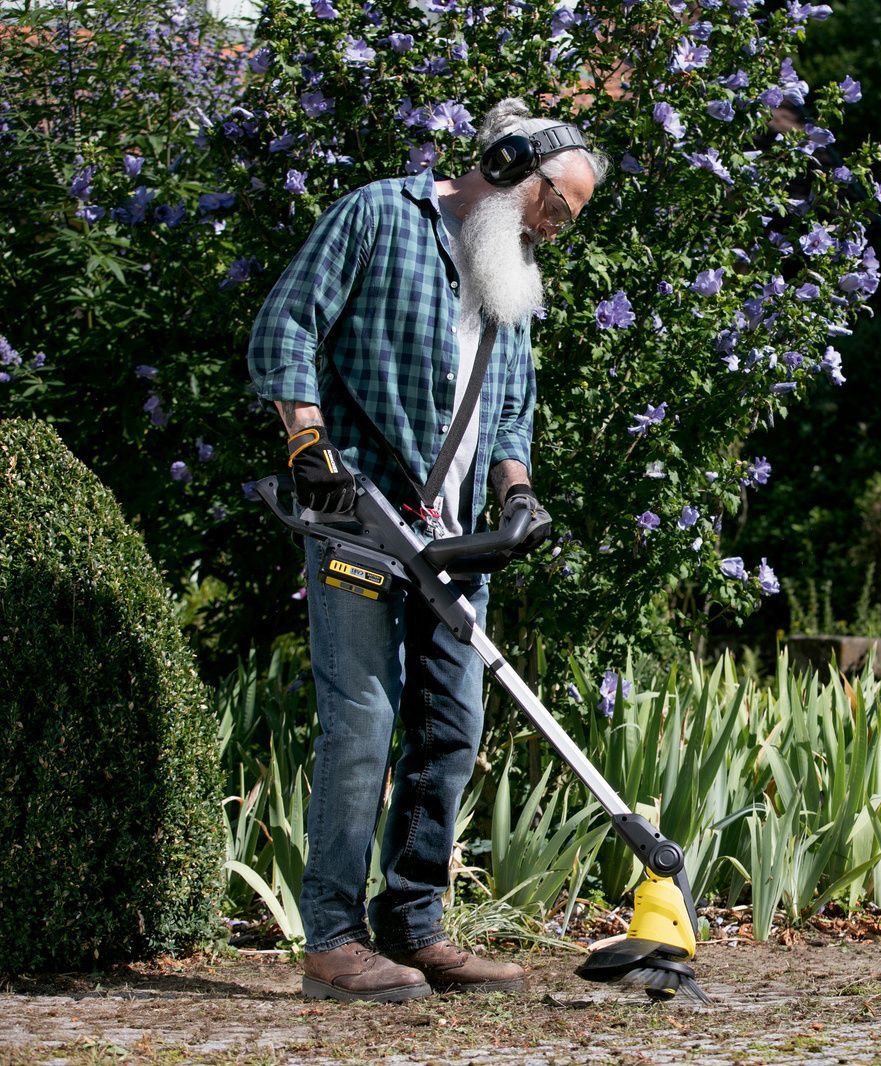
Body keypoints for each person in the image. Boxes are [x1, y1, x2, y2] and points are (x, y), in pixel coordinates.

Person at [247, 98, 609, 1003]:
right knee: (363, 722)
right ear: (508, 165)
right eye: (556, 205)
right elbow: (288, 324)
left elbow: (511, 406)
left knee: (451, 730)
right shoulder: (378, 215)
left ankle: (416, 926)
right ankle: (332, 940)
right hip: (358, 519)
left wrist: (517, 495)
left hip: (453, 542)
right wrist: (306, 443)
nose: (557, 228)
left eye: (570, 217)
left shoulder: (509, 268)